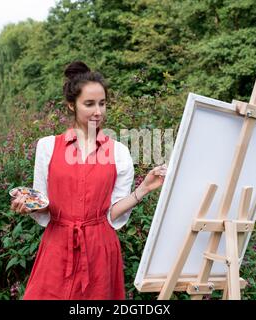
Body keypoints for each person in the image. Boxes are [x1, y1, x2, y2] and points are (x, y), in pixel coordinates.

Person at [10, 61, 167, 300]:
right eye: (90, 104)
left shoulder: (118, 152)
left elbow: (112, 214)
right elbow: (43, 204)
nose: (98, 112)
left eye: (103, 104)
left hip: (100, 249)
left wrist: (144, 188)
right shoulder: (48, 146)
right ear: (71, 105)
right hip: (57, 245)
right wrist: (27, 203)